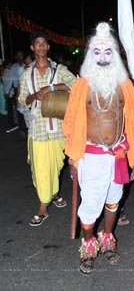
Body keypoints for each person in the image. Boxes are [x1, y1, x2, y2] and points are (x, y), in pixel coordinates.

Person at [62, 22, 134, 274]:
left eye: (108, 51)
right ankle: (89, 244)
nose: (102, 57)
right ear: (91, 54)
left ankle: (107, 237)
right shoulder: (81, 86)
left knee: (114, 201)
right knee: (91, 205)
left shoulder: (126, 85)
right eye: (97, 52)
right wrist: (72, 159)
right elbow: (70, 124)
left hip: (120, 155)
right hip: (91, 156)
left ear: (115, 55)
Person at [18, 31, 76, 226]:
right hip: (37, 129)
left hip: (58, 127)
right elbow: (22, 100)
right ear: (32, 48)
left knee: (57, 165)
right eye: (37, 44)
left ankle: (55, 193)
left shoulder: (59, 69)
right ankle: (43, 206)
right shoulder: (27, 74)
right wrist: (34, 95)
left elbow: (75, 84)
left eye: (44, 44)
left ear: (48, 47)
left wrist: (50, 88)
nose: (41, 47)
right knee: (42, 169)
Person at [4, 50, 25, 133]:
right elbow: (10, 80)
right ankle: (21, 126)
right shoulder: (14, 67)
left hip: (26, 90)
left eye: (21, 56)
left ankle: (27, 125)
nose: (20, 58)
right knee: (19, 108)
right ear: (16, 57)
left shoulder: (27, 66)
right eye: (18, 56)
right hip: (17, 90)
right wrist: (7, 91)